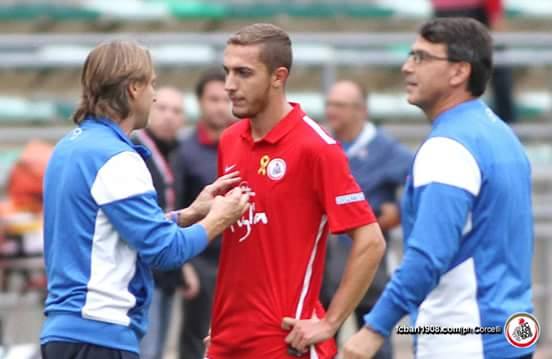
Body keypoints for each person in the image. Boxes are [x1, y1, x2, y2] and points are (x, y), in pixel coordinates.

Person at [39, 40, 250, 359]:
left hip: (66, 331)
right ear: (133, 88)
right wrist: (219, 218)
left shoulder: (69, 147)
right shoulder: (117, 158)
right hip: (100, 336)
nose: (154, 95)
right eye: (152, 84)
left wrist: (189, 214)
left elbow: (108, 231)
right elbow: (164, 251)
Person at [344, 18, 534, 359]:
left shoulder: (448, 147)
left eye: (421, 57)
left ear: (459, 72)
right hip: (508, 333)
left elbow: (427, 257)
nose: (406, 67)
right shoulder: (499, 132)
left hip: (464, 339)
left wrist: (375, 328)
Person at [205, 23, 386, 359]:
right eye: (226, 71)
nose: (230, 85)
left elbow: (371, 241)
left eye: (243, 73)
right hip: (225, 341)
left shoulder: (316, 148)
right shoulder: (230, 140)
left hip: (285, 343)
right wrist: (223, 326)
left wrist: (330, 323)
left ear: (278, 77)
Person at [322, 80, 413, 359]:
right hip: (323, 275)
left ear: (361, 110)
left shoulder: (385, 149)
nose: (331, 112)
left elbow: (420, 183)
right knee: (318, 347)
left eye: (340, 105)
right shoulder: (323, 144)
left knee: (374, 346)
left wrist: (398, 212)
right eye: (329, 105)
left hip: (368, 271)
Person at [171, 68, 234, 359]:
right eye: (213, 99)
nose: (220, 106)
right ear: (200, 103)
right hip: (202, 260)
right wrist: (186, 265)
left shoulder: (243, 146)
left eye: (224, 99)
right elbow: (178, 207)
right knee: (198, 335)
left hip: (240, 258)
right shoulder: (185, 153)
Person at [133, 86, 186, 359]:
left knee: (160, 348)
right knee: (146, 348)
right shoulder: (134, 149)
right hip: (141, 271)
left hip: (167, 269)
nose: (169, 117)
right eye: (162, 108)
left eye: (176, 111)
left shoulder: (177, 152)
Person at [431, 0, 516, 123]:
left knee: (453, 70)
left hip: (447, 10)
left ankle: (451, 123)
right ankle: (506, 125)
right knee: (496, 68)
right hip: (473, 10)